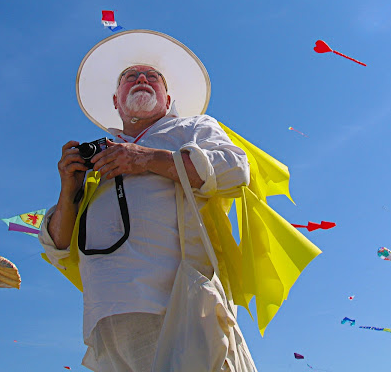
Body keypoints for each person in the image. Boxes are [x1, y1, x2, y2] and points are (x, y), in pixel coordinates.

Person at [38, 31, 251, 371]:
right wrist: (69, 190)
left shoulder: (192, 126)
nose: (141, 78)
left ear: (168, 101)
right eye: (129, 78)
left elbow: (235, 170)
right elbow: (59, 247)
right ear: (115, 102)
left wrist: (145, 159)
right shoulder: (101, 158)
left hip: (181, 308)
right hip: (104, 323)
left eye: (152, 77)